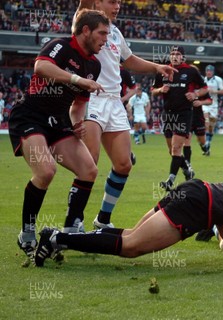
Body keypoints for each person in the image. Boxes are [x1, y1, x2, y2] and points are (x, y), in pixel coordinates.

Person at [34, 172, 223, 267]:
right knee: (132, 248)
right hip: (197, 207)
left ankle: (60, 238)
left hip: (195, 189)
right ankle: (58, 238)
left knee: (130, 235)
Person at [9, 9, 107, 262]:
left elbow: (78, 104)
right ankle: (27, 233)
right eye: (102, 33)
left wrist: (77, 123)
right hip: (30, 116)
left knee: (89, 169)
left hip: (59, 122)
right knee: (46, 171)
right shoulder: (60, 46)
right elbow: (41, 67)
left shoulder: (94, 65)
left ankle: (72, 227)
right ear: (86, 30)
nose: (105, 39)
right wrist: (77, 79)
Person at [76, 0, 177, 230]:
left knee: (123, 164)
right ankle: (74, 220)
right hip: (92, 97)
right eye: (112, 1)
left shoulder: (115, 32)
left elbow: (129, 60)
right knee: (89, 163)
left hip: (114, 102)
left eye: (120, 2)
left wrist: (156, 67)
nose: (118, 6)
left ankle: (102, 219)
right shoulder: (84, 21)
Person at [151, 45, 208, 190]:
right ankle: (188, 170)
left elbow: (204, 88)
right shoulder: (163, 71)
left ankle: (170, 181)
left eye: (178, 54)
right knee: (171, 150)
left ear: (182, 57)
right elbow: (153, 91)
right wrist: (160, 90)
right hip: (168, 114)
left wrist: (195, 94)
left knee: (176, 148)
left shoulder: (190, 71)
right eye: (172, 54)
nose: (175, 56)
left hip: (184, 113)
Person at [202, 64, 223, 156]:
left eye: (210, 71)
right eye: (207, 71)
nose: (208, 72)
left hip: (214, 105)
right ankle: (205, 144)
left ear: (213, 72)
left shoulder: (218, 80)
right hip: (205, 104)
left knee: (211, 127)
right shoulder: (202, 80)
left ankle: (208, 144)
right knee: (206, 122)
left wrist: (214, 92)